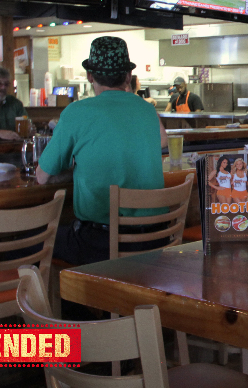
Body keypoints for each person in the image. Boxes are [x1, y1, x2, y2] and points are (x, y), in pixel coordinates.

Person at [36, 36, 169, 265]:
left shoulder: (76, 112)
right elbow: (162, 141)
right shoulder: (147, 110)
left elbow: (42, 176)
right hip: (155, 241)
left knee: (29, 242)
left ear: (90, 76)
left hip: (100, 245)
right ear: (128, 76)